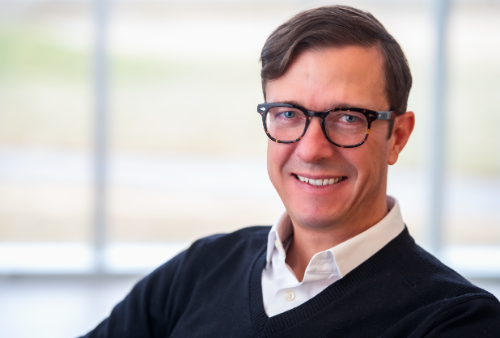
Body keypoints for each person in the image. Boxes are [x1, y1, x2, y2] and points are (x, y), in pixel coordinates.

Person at [81, 5, 500, 337]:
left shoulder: (456, 321)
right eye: (288, 113)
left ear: (397, 136)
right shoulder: (200, 269)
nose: (312, 148)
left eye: (348, 117)